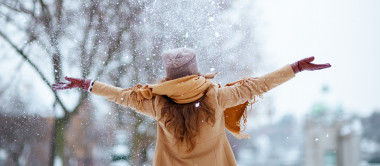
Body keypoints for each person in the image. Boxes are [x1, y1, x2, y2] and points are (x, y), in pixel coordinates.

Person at [53, 47, 331, 166]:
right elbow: (259, 85)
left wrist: (89, 84)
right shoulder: (216, 96)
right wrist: (294, 68)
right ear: (195, 72)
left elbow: (121, 96)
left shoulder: (158, 105)